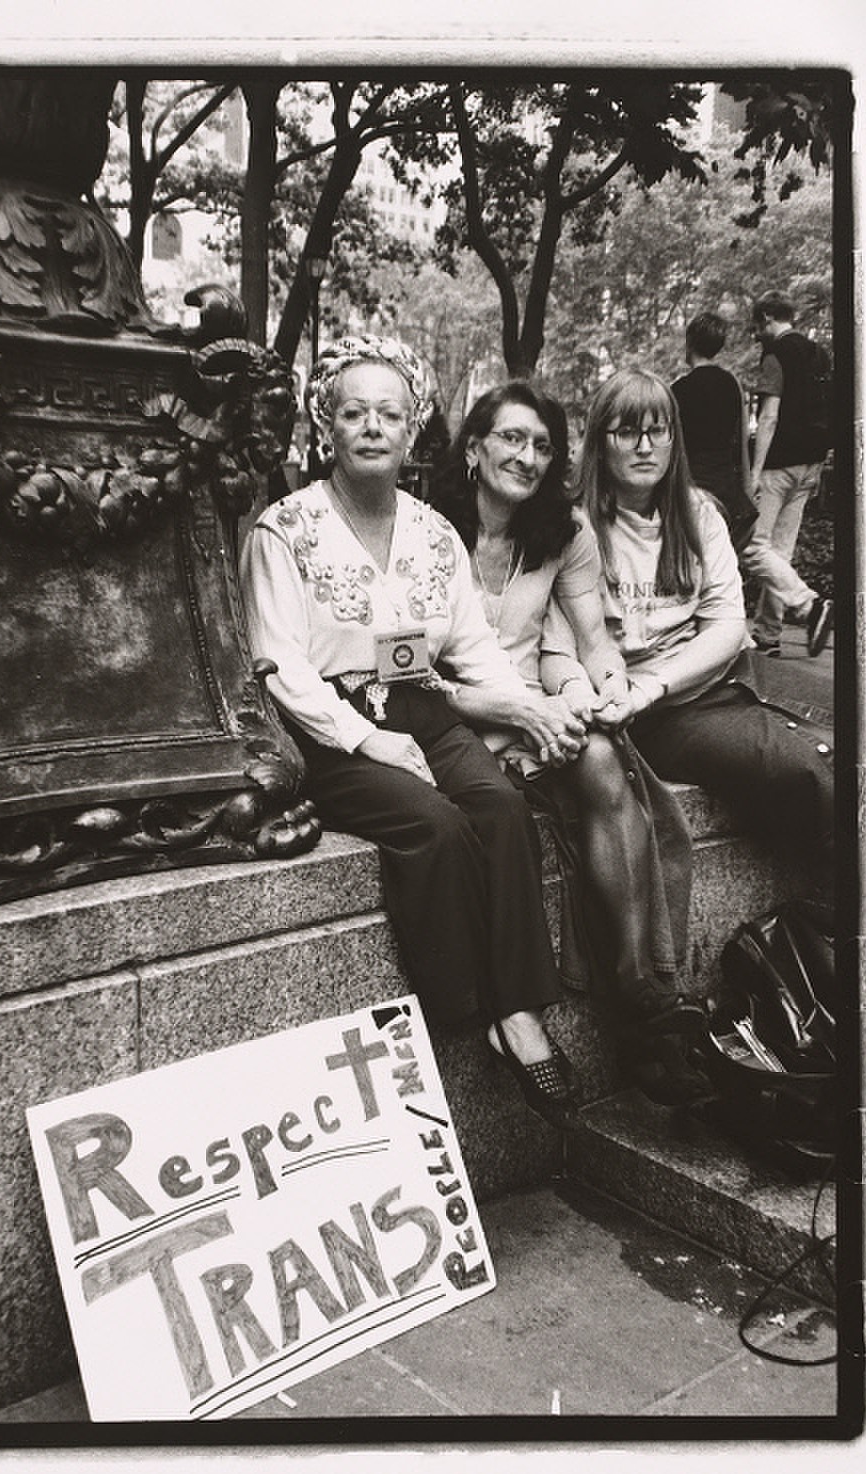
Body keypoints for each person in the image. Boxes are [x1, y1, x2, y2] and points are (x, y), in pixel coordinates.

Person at [239, 335, 590, 1127]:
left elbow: (471, 650)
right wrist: (368, 741)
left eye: (389, 414)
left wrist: (528, 709)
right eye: (353, 412)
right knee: (435, 827)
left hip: (422, 710)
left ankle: (521, 1014)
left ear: (413, 428)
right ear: (325, 425)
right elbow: (279, 665)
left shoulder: (436, 534)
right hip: (329, 731)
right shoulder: (283, 529)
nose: (372, 426)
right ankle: (466, 1014)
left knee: (500, 808)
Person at [433, 382, 712, 1107]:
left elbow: (594, 643)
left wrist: (606, 693)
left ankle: (639, 988)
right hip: (449, 719)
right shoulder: (426, 530)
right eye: (512, 439)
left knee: (602, 759)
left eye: (543, 445)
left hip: (537, 712)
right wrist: (525, 713)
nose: (527, 458)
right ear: (474, 447)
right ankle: (637, 1000)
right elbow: (404, 678)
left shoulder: (565, 532)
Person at [571, 368, 833, 876]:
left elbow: (727, 626)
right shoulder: (576, 525)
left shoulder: (699, 514)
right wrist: (640, 692)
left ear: (675, 438)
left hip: (719, 680)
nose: (645, 446)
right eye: (627, 432)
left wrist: (656, 684)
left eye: (658, 430)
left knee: (861, 729)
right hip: (654, 717)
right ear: (601, 442)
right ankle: (838, 914)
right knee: (804, 769)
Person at [673, 310, 828, 653]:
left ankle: (716, 638)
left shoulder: (677, 391)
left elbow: (675, 449)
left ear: (689, 343)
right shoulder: (733, 387)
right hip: (728, 490)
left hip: (694, 490)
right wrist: (746, 486)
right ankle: (792, 613)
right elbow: (742, 440)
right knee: (744, 554)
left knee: (701, 564)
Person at [748, 292, 834, 657]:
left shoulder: (776, 354)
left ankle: (810, 605)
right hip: (811, 464)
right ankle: (768, 635)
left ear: (767, 317)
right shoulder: (819, 354)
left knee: (753, 547)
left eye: (756, 325)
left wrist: (754, 471)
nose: (755, 333)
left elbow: (768, 417)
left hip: (778, 465)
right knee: (780, 552)